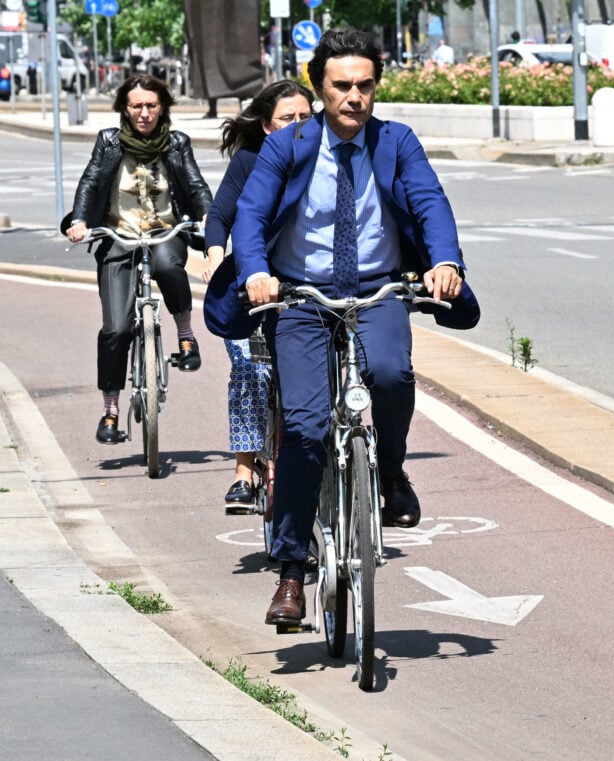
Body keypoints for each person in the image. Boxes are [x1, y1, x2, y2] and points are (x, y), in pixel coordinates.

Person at [231, 28, 467, 626]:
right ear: (320, 87)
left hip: (376, 287)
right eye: (342, 86)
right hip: (302, 296)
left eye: (365, 85)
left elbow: (430, 202)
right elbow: (251, 216)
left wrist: (443, 262)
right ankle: (290, 571)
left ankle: (389, 471)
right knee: (306, 429)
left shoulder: (396, 142)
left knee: (390, 375)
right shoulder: (288, 147)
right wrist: (256, 273)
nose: (355, 97)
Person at [64, 73, 211, 445]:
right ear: (124, 110)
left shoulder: (177, 143)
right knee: (116, 329)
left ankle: (185, 335)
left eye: (151, 105)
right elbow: (92, 181)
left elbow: (194, 185)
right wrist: (80, 220)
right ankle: (111, 411)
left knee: (166, 265)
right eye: (136, 106)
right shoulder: (109, 142)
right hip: (119, 236)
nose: (144, 113)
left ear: (162, 107)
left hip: (165, 232)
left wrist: (208, 215)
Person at [203, 80, 315, 510]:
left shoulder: (328, 158)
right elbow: (222, 215)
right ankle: (245, 470)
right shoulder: (249, 162)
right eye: (289, 118)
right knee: (250, 369)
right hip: (255, 288)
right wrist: (216, 253)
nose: (299, 126)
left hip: (309, 289)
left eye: (307, 117)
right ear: (267, 126)